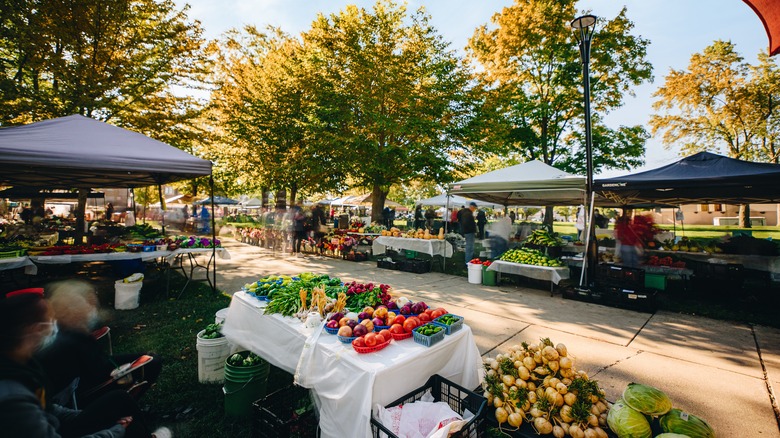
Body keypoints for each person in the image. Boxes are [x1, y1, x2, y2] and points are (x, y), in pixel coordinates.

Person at [0, 289, 172, 438]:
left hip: (58, 420)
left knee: (119, 401)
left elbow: (49, 408)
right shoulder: (13, 398)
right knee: (127, 423)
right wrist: (115, 431)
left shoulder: (22, 364)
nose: (54, 325)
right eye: (49, 320)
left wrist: (93, 417)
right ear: (34, 330)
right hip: (59, 424)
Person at [36, 281, 162, 407]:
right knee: (151, 363)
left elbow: (99, 362)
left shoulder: (66, 332)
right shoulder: (69, 340)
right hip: (82, 396)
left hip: (87, 381)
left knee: (147, 359)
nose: (92, 308)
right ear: (71, 312)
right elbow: (97, 372)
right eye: (87, 304)